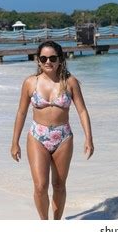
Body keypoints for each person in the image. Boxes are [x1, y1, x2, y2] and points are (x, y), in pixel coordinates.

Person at [10, 40, 94, 220]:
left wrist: (89, 138)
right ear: (38, 60)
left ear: (60, 60)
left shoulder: (70, 82)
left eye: (52, 58)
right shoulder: (30, 83)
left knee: (59, 185)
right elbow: (21, 112)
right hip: (37, 136)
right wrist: (14, 142)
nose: (48, 62)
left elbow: (82, 110)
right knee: (40, 186)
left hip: (63, 137)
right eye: (43, 58)